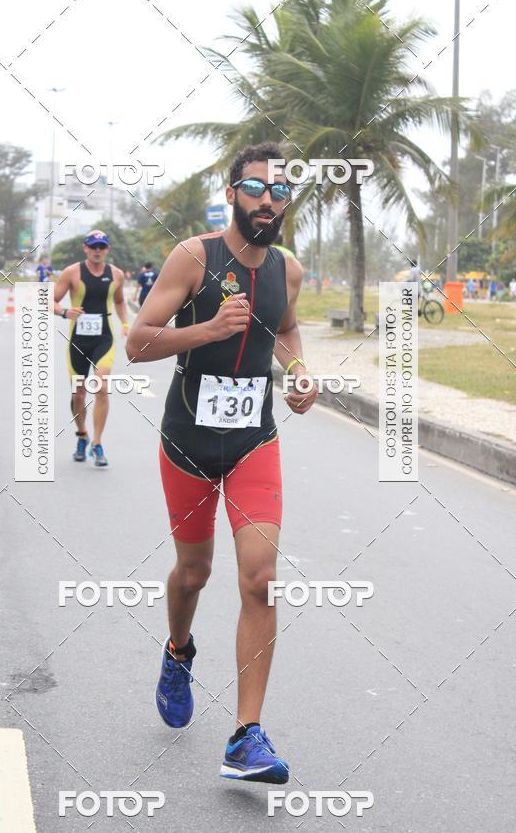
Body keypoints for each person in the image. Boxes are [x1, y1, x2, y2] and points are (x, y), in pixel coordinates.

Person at [126, 142, 318, 784]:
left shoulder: (286, 269)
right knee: (194, 571)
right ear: (233, 191)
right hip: (186, 441)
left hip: (252, 442)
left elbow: (286, 330)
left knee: (261, 577)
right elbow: (137, 342)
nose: (269, 200)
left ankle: (246, 737)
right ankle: (179, 650)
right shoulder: (194, 257)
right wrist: (206, 330)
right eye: (257, 188)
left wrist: (297, 372)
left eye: (281, 191)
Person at [53, 230, 129, 466]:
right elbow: (49, 299)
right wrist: (65, 312)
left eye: (102, 247)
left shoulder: (116, 275)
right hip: (78, 340)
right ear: (85, 248)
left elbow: (118, 300)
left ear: (107, 249)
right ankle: (82, 435)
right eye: (93, 246)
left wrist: (125, 323)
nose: (97, 251)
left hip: (103, 338)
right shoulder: (72, 273)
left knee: (101, 387)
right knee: (78, 394)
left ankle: (97, 443)